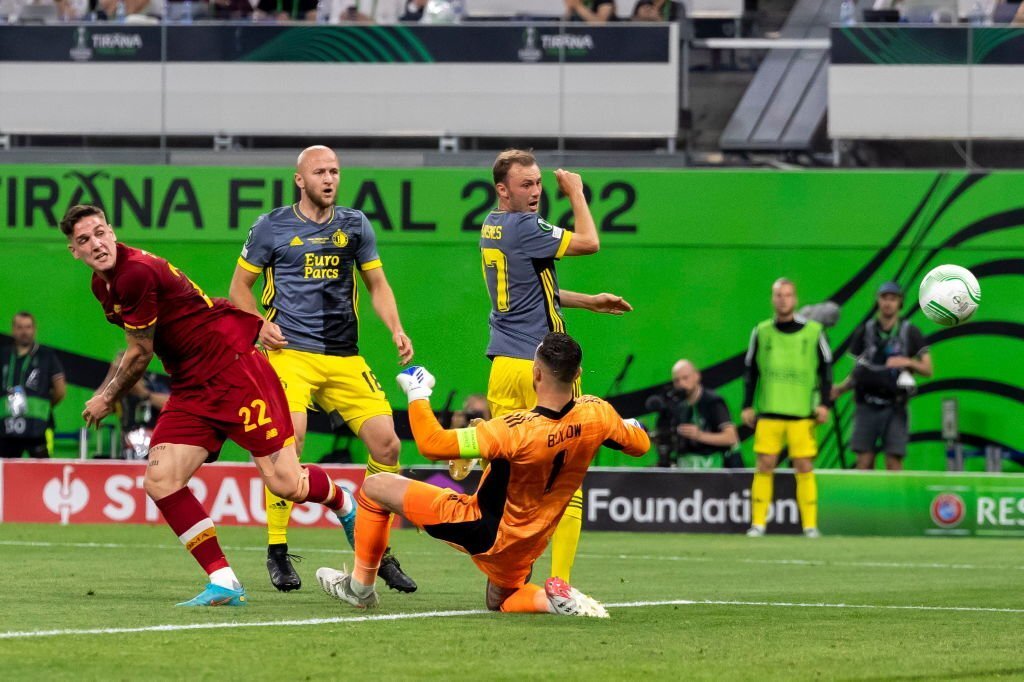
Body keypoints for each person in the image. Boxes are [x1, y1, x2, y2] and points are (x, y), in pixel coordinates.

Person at [62, 203, 357, 607]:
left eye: (100, 233)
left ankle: (344, 502)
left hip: (232, 370)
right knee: (161, 480)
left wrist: (106, 396)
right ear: (74, 251)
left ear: (112, 232)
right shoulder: (104, 286)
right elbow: (145, 343)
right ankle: (224, 581)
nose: (96, 244)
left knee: (286, 483)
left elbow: (140, 353)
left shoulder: (135, 273)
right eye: (84, 240)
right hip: (192, 385)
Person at [315, 332, 650, 615]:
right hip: (531, 540)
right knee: (500, 601)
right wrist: (625, 425)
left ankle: (360, 587)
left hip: (482, 526)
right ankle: (550, 600)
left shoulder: (512, 430)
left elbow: (433, 444)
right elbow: (640, 445)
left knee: (375, 486)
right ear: (577, 374)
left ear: (536, 373)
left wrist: (417, 393)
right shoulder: (597, 414)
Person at [229, 145, 417, 595]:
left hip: (343, 355)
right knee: (289, 444)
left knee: (388, 444)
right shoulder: (271, 226)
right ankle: (277, 549)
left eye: (334, 171)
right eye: (320, 172)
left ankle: (375, 549)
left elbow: (377, 284)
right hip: (289, 353)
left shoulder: (355, 225)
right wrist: (258, 325)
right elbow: (239, 288)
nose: (329, 179)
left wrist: (396, 328)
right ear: (300, 179)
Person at [480, 148, 633, 585]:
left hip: (503, 367)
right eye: (525, 184)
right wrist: (576, 194)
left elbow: (534, 290)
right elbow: (590, 242)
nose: (536, 192)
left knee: (508, 478)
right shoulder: (526, 227)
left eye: (539, 184)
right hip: (542, 370)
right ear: (503, 189)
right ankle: (560, 583)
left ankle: (503, 580)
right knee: (567, 476)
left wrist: (589, 301)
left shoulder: (491, 226)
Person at [741, 278, 833, 538]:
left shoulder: (814, 331)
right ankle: (758, 524)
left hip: (802, 413)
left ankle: (810, 526)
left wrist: (824, 403)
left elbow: (826, 369)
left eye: (788, 295)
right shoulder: (761, 331)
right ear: (773, 299)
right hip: (770, 411)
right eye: (778, 295)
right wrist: (747, 405)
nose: (783, 300)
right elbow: (750, 370)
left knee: (804, 466)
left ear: (796, 299)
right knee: (764, 464)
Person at [832, 282, 932, 471]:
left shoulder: (910, 331)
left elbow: (928, 369)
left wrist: (908, 362)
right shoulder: (865, 331)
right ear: (877, 301)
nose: (888, 303)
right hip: (866, 405)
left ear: (900, 302)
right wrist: (841, 388)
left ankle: (894, 493)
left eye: (892, 299)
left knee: (893, 463)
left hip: (896, 407)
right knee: (863, 462)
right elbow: (857, 372)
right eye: (884, 298)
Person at [648, 359, 741, 469]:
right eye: (677, 380)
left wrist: (699, 435)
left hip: (713, 467)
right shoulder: (675, 404)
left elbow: (731, 438)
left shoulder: (712, 401)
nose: (681, 384)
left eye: (685, 378)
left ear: (697, 376)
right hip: (685, 467)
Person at [1, 312, 66, 458]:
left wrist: (45, 405)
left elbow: (60, 390)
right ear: (13, 330)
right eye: (20, 327)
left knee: (43, 469)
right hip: (6, 428)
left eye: (28, 327)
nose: (24, 331)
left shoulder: (46, 355)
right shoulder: (3, 355)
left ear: (34, 329)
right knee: (5, 469)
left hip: (38, 427)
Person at [100, 350, 170, 459]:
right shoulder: (120, 392)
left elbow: (171, 403)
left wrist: (145, 394)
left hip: (156, 449)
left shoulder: (153, 384)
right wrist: (111, 376)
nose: (126, 373)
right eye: (121, 369)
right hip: (129, 451)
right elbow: (94, 410)